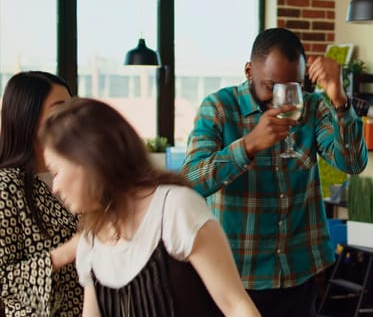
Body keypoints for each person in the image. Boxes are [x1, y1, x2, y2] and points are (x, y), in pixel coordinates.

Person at [181, 27, 368, 316]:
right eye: (271, 87)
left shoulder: (314, 107)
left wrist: (340, 101)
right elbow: (190, 182)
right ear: (248, 71)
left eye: (293, 88)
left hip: (298, 274)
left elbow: (353, 164)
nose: (283, 100)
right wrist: (248, 146)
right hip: (235, 277)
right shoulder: (218, 107)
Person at [39, 98, 260, 317]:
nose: (55, 187)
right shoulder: (91, 239)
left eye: (57, 171)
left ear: (88, 161)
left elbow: (236, 306)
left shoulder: (176, 208)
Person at [0, 71, 83, 316]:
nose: (71, 118)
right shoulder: (7, 186)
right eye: (59, 108)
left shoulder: (77, 176)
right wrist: (67, 252)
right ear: (27, 115)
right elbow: (3, 280)